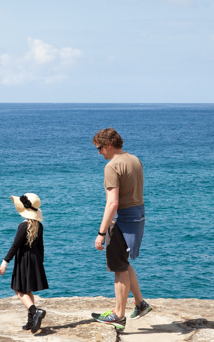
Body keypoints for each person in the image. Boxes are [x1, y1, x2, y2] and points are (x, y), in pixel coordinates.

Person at [91, 128, 152, 331]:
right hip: (138, 216)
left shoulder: (112, 166)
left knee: (118, 268)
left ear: (108, 145)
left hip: (121, 221)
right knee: (123, 263)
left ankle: (118, 314)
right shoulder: (135, 159)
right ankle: (140, 303)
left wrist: (101, 232)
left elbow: (113, 203)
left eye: (99, 148)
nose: (99, 153)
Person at [0, 193, 48, 333]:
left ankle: (35, 311)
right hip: (35, 259)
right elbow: (41, 246)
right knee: (28, 289)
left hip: (24, 260)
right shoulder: (39, 225)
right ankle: (31, 321)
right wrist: (40, 263)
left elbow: (15, 246)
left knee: (18, 289)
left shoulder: (23, 226)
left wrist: (4, 263)